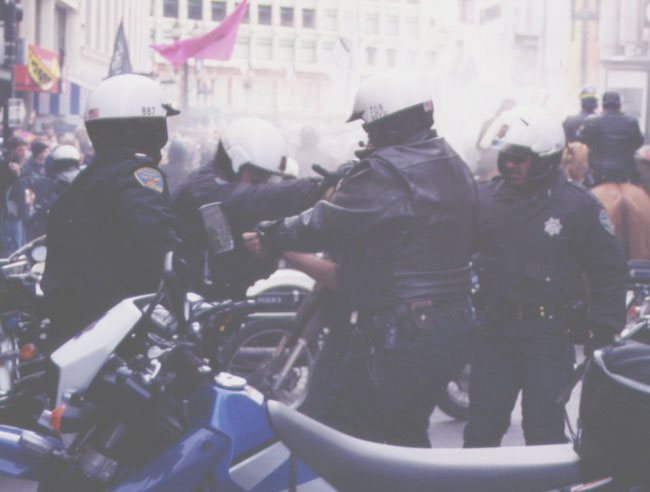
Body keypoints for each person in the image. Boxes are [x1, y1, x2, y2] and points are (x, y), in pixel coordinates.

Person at [244, 71, 477, 447]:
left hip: (402, 331)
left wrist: (271, 234)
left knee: (340, 432)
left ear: (388, 123)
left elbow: (323, 223)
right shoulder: (453, 162)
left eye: (369, 127)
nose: (367, 137)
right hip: (451, 325)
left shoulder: (384, 171)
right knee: (406, 435)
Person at [463, 105, 627, 448]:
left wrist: (604, 330)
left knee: (544, 432)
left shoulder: (578, 206)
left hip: (548, 338)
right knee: (481, 431)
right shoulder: (485, 199)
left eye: (519, 158)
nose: (509, 165)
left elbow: (609, 270)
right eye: (505, 156)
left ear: (545, 159)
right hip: (494, 334)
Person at [41, 74, 181, 350]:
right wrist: (183, 294)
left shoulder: (89, 177)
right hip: (113, 332)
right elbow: (158, 245)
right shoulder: (137, 175)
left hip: (74, 327)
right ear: (145, 128)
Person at [173, 117, 334, 301]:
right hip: (187, 300)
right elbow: (252, 199)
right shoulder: (205, 188)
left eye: (266, 179)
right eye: (257, 176)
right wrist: (317, 188)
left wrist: (265, 250)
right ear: (236, 162)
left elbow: (244, 267)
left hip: (220, 300)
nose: (261, 184)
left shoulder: (226, 195)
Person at [576, 91, 644, 185]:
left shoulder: (592, 121)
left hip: (598, 172)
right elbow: (639, 142)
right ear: (619, 106)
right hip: (626, 171)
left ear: (603, 106)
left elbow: (579, 137)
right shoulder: (632, 121)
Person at [1, 136, 29, 255]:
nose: (24, 153)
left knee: (23, 244)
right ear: (12, 150)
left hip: (21, 210)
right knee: (15, 248)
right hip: (11, 211)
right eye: (20, 150)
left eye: (25, 149)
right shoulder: (6, 166)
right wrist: (16, 174)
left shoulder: (22, 166)